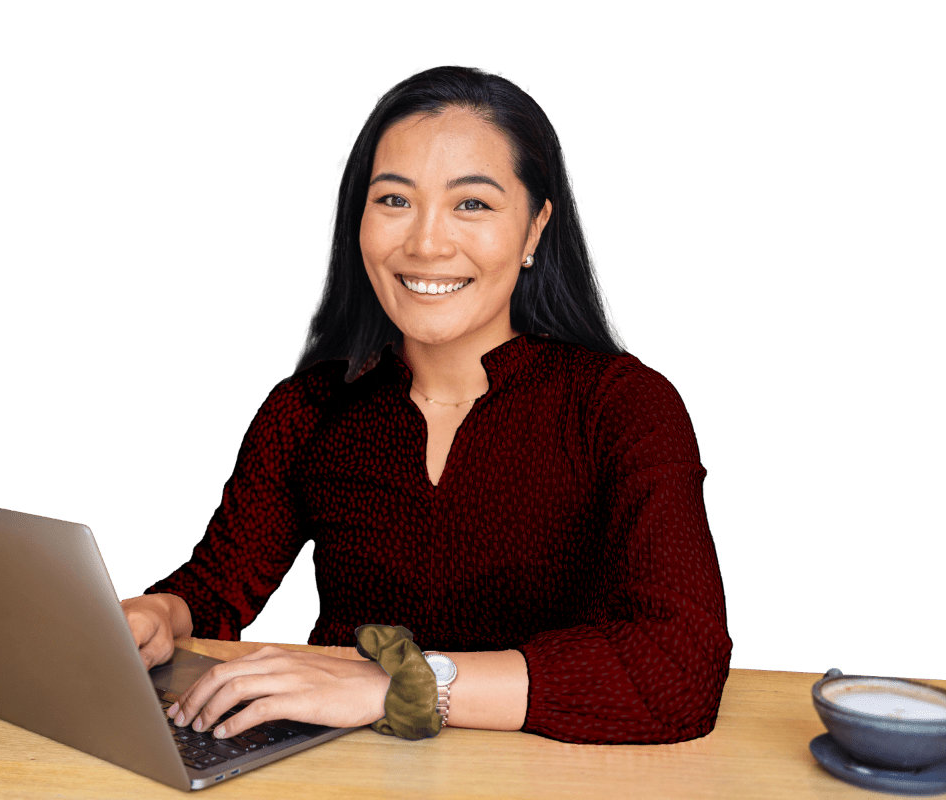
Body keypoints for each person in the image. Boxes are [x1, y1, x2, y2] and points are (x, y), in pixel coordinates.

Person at [120, 65, 732, 745]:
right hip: (338, 772)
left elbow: (677, 669)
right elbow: (212, 592)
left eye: (472, 204)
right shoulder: (308, 409)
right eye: (393, 200)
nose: (426, 244)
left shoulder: (623, 405)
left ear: (535, 229)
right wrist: (159, 612)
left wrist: (398, 684)